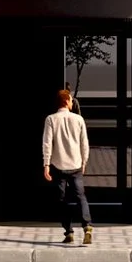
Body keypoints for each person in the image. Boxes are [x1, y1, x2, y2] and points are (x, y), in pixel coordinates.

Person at [41, 87, 92, 247]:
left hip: (58, 165)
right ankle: (87, 226)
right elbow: (85, 143)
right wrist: (84, 162)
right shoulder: (78, 119)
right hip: (76, 164)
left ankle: (69, 232)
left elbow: (47, 143)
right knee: (80, 196)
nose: (72, 102)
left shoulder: (51, 119)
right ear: (67, 101)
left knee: (62, 199)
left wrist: (46, 164)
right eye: (71, 100)